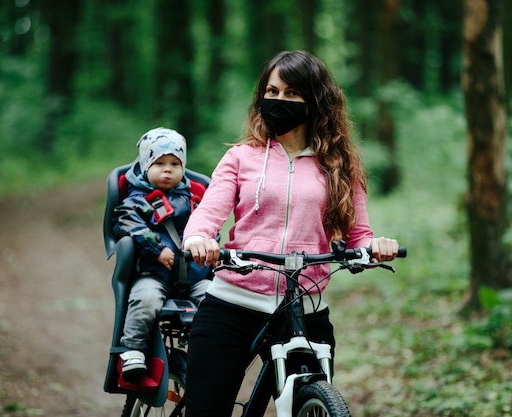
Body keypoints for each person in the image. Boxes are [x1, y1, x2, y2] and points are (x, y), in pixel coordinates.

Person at [182, 50, 400, 416]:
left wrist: (374, 247)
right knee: (206, 409)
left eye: (291, 93)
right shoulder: (241, 157)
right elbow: (208, 213)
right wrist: (200, 239)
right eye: (272, 91)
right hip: (235, 300)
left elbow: (359, 232)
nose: (278, 101)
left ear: (315, 101)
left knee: (311, 399)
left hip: (305, 304)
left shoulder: (340, 165)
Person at [113, 127, 211, 377]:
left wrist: (208, 246)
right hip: (154, 274)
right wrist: (156, 248)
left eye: (175, 164)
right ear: (146, 165)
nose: (168, 169)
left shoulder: (194, 199)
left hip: (194, 277)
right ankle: (133, 351)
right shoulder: (139, 200)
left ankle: (208, 352)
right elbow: (126, 222)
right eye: (160, 163)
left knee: (216, 302)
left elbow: (210, 225)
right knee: (144, 299)